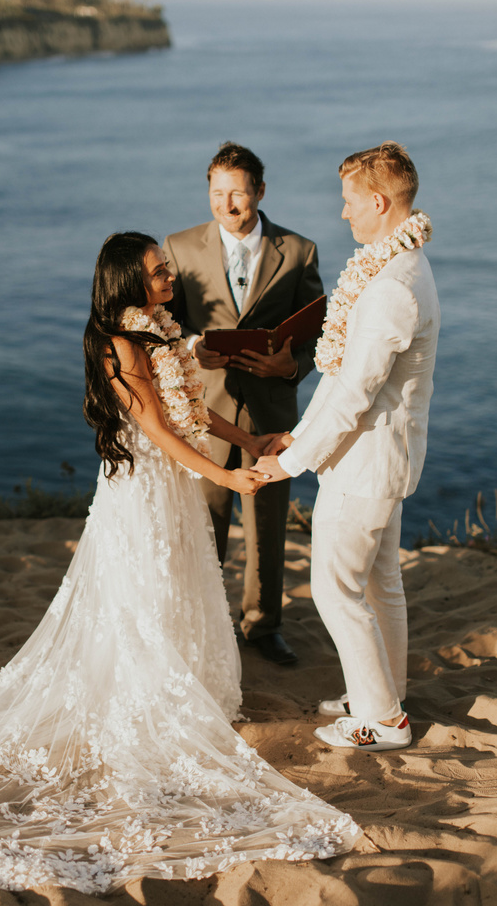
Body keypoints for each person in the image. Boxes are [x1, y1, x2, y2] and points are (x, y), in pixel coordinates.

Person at [0, 232, 358, 894]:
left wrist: (247, 440)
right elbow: (155, 426)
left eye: (166, 270)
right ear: (126, 280)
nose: (168, 279)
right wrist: (228, 476)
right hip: (144, 491)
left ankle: (185, 688)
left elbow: (191, 407)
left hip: (176, 484)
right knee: (145, 593)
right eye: (157, 273)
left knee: (182, 586)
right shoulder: (117, 342)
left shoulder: (159, 332)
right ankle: (148, 702)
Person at [254, 142, 440, 751]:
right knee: (381, 581)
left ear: (380, 202)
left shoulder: (393, 289)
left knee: (336, 588)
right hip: (377, 459)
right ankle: (384, 692)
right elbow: (339, 381)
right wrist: (299, 435)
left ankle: (383, 720)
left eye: (350, 201)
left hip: (365, 464)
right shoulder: (396, 269)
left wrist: (290, 461)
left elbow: (354, 392)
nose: (343, 214)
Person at [164, 142, 323, 664]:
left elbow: (323, 333)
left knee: (268, 526)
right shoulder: (180, 247)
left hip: (272, 413)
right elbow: (167, 330)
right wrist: (194, 350)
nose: (227, 205)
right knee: (205, 526)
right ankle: (205, 624)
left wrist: (291, 365)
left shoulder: (299, 251)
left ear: (259, 191)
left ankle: (262, 625)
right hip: (205, 413)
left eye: (237, 193)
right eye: (217, 193)